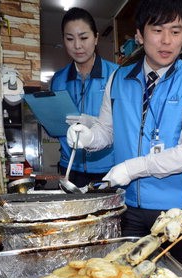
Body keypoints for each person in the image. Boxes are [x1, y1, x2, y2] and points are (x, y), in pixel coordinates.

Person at [66, 0, 182, 267]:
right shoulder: (118, 79)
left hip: (177, 211)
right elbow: (106, 131)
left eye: (175, 31)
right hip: (127, 208)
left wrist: (134, 167)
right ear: (139, 34)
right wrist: (88, 138)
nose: (167, 41)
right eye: (157, 30)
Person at [50, 7, 118, 187]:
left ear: (96, 37)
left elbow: (127, 126)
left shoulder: (117, 75)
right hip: (70, 168)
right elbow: (55, 129)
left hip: (108, 168)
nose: (77, 46)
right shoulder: (58, 80)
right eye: (70, 39)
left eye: (84, 38)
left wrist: (93, 122)